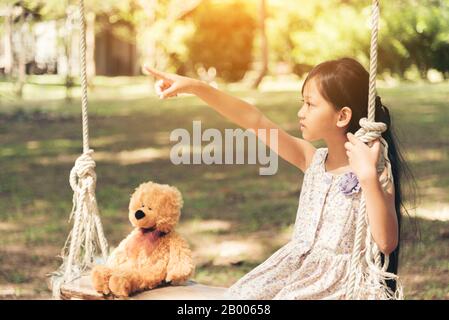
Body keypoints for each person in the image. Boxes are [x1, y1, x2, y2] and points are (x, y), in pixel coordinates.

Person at [144, 57, 416, 299]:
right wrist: (196, 87)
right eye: (303, 103)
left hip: (338, 284)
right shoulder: (312, 160)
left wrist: (367, 177)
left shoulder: (375, 170)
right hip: (294, 270)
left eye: (310, 104)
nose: (301, 112)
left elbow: (386, 242)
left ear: (342, 116)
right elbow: (255, 121)